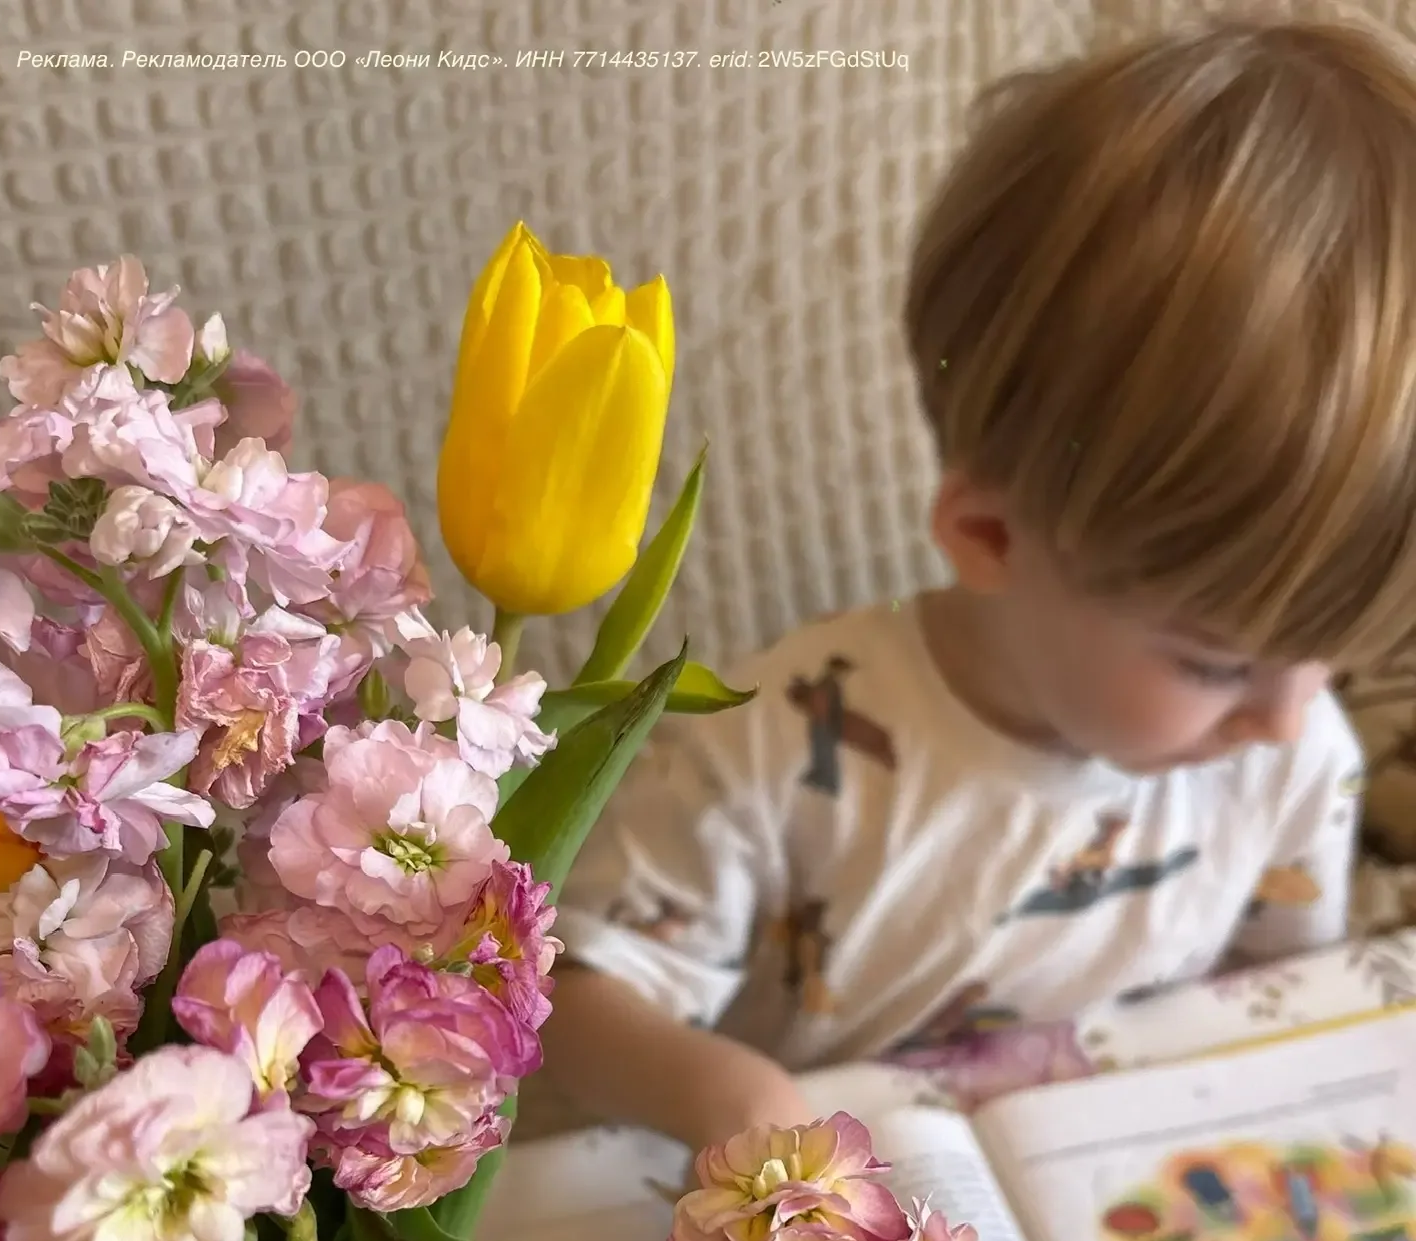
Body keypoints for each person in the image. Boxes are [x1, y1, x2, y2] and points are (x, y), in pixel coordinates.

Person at [538, 13, 1412, 1153]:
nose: (1290, 719)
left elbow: (1276, 1021)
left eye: (1327, 654)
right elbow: (572, 1000)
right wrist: (725, 1098)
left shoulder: (1297, 762)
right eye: (1216, 663)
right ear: (990, 534)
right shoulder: (766, 754)